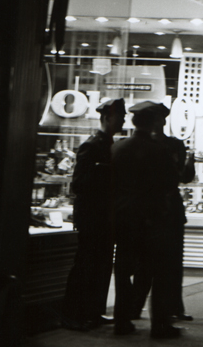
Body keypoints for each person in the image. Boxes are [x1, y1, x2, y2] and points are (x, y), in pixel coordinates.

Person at [111, 101, 180, 338]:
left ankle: (121, 320)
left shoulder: (118, 148)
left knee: (123, 270)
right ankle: (159, 325)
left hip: (123, 217)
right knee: (159, 272)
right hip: (152, 220)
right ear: (152, 122)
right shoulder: (159, 150)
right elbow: (170, 183)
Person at [60, 97, 125, 331]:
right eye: (120, 116)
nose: (124, 120)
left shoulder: (110, 145)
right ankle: (72, 314)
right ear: (108, 117)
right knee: (86, 265)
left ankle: (94, 312)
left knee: (102, 265)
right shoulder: (92, 146)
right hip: (92, 217)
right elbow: (79, 183)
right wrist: (107, 172)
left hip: (105, 216)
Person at [130, 123, 196, 322]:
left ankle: (144, 307)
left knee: (157, 264)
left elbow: (183, 176)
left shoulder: (167, 145)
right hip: (161, 211)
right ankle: (165, 309)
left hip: (160, 211)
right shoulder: (167, 146)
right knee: (159, 264)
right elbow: (183, 176)